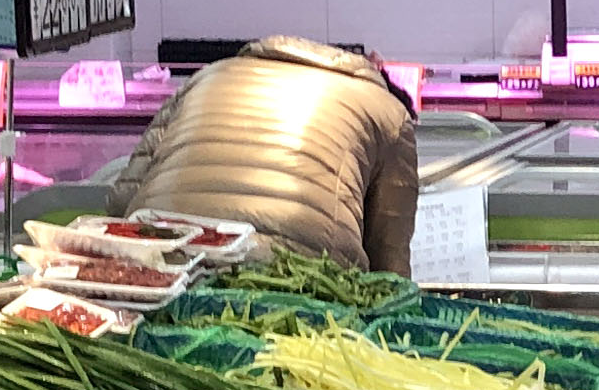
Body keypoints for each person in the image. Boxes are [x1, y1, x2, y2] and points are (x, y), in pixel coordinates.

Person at [91, 36, 419, 271]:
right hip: (298, 273)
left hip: (157, 255)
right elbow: (390, 270)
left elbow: (120, 202)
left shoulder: (207, 75)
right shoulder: (388, 113)